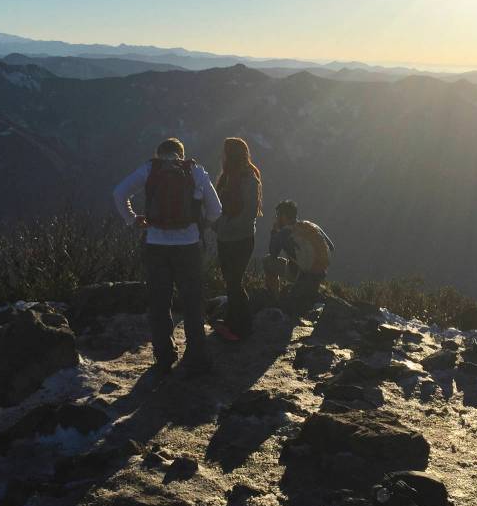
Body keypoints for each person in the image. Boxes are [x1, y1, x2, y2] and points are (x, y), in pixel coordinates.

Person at [113, 137, 222, 374]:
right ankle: (197, 355)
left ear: (159, 153)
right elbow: (216, 209)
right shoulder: (195, 171)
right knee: (193, 301)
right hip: (189, 244)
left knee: (159, 302)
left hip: (155, 243)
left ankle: (164, 355)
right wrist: (201, 223)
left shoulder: (149, 169)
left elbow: (119, 193)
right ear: (180, 154)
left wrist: (133, 219)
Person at [212, 138, 263, 342]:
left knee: (234, 281)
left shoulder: (249, 178)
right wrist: (218, 226)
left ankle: (241, 327)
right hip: (226, 237)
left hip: (240, 239)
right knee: (232, 281)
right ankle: (234, 323)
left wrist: (221, 225)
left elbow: (249, 212)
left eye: (225, 152)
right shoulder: (227, 176)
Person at [264, 200, 335, 317]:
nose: (276, 218)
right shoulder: (311, 226)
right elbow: (331, 247)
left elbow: (273, 254)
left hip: (302, 275)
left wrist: (274, 231)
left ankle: (274, 298)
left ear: (284, 216)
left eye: (278, 215)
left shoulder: (284, 233)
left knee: (267, 262)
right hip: (319, 274)